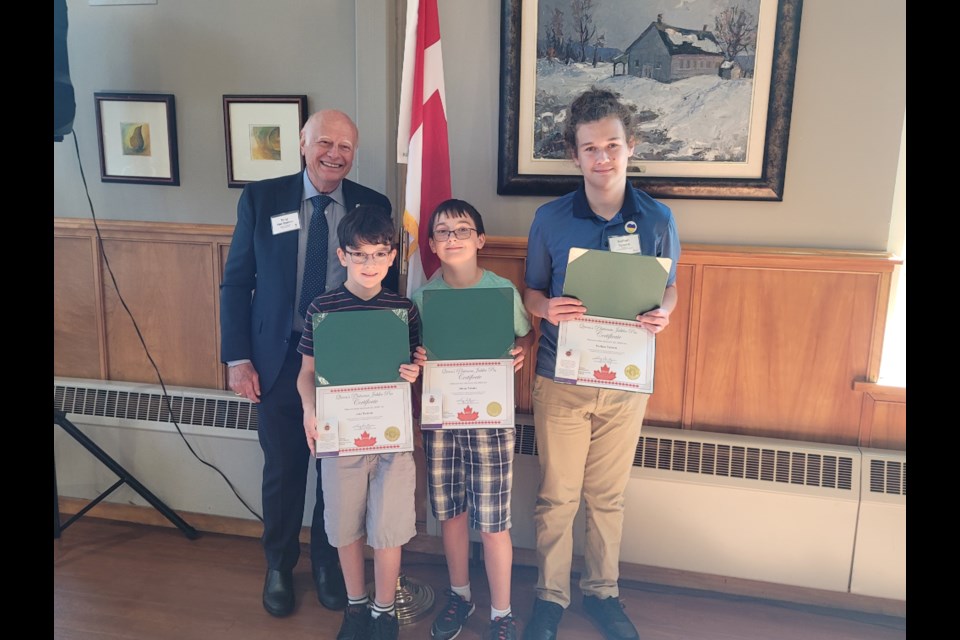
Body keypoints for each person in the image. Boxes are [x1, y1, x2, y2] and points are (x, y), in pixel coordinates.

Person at [520, 88, 681, 640]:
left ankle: (604, 593)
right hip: (561, 377)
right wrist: (547, 309)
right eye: (591, 148)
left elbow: (671, 288)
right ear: (575, 155)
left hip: (626, 381)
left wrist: (664, 311)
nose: (603, 158)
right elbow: (532, 293)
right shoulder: (550, 218)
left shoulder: (658, 219)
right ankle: (549, 596)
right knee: (557, 495)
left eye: (612, 145)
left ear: (630, 147)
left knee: (607, 496)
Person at [220, 109, 392, 617]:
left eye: (345, 146)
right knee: (284, 469)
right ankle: (278, 564)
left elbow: (387, 288)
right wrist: (237, 358)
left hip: (346, 361)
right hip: (276, 359)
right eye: (324, 143)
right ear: (302, 143)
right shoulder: (262, 198)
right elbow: (237, 282)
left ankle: (327, 562)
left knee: (336, 473)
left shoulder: (372, 203)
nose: (334, 154)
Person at [296, 205, 421, 640]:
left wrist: (414, 372)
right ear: (342, 255)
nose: (370, 264)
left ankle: (384, 611)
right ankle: (356, 606)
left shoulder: (403, 308)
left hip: (392, 438)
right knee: (345, 524)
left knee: (387, 528)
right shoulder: (322, 308)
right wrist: (310, 411)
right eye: (359, 254)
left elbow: (416, 370)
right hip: (341, 435)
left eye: (379, 254)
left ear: (392, 257)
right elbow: (307, 373)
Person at [409, 199, 533, 640]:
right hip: (441, 422)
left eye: (462, 230)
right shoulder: (421, 298)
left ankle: (502, 612)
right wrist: (416, 358)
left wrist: (523, 349)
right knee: (452, 515)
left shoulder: (502, 292)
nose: (452, 238)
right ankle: (460, 595)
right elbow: (411, 354)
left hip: (491, 422)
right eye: (442, 232)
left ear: (480, 239)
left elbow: (525, 333)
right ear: (431, 244)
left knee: (495, 522)